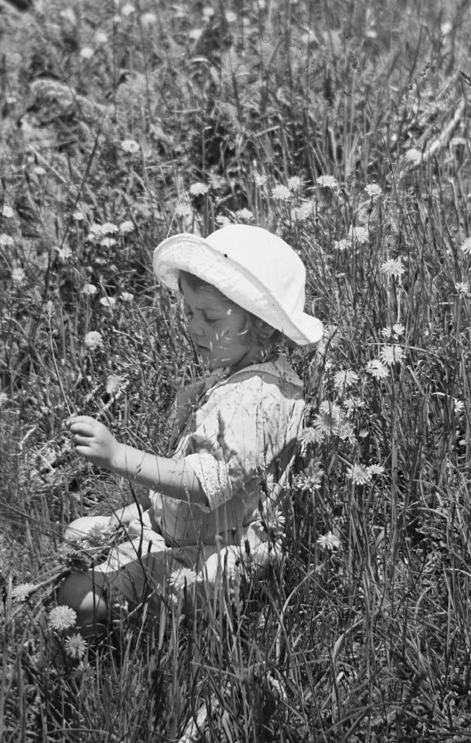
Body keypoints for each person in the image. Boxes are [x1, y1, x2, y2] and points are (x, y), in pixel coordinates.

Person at [56, 223, 324, 635]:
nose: (195, 328)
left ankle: (96, 655)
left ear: (265, 326)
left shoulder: (255, 400)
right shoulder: (244, 377)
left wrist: (117, 456)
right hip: (182, 524)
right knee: (75, 536)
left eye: (211, 317)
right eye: (188, 312)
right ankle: (119, 578)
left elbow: (204, 484)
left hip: (214, 553)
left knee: (80, 598)